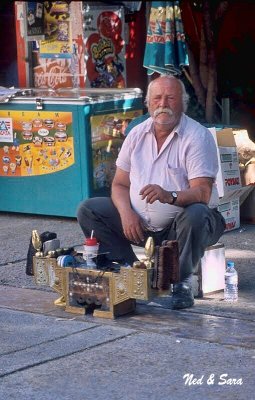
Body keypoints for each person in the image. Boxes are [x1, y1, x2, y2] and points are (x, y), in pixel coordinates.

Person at [77, 75, 226, 310]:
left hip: (183, 226)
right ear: (148, 103)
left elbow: (203, 192)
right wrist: (126, 213)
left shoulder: (197, 136)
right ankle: (131, 270)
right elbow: (119, 184)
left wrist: (171, 196)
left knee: (196, 213)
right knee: (89, 209)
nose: (163, 103)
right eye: (157, 98)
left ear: (183, 103)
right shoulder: (136, 134)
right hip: (142, 226)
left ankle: (182, 282)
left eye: (170, 98)